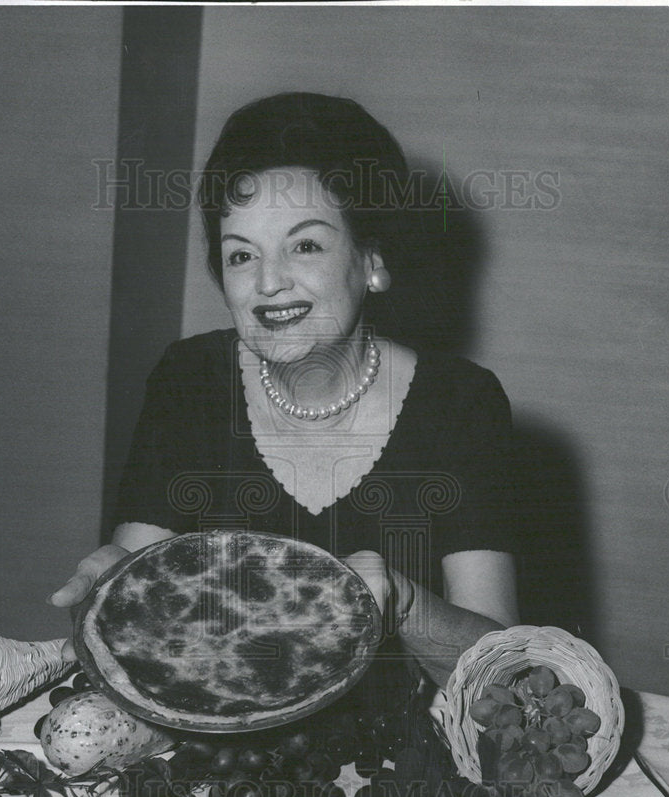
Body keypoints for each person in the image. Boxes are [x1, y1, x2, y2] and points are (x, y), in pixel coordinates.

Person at [49, 92, 518, 697]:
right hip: (221, 749)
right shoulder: (192, 379)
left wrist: (402, 605)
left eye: (305, 245)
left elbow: (508, 672)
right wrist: (111, 588)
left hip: (400, 765)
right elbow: (138, 582)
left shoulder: (460, 403)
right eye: (242, 254)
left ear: (372, 258)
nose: (269, 283)